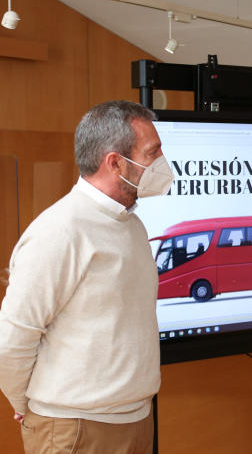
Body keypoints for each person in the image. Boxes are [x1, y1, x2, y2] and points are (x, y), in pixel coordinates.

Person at [0, 100, 174, 453]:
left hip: (136, 418)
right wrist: (29, 406)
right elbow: (14, 339)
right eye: (152, 152)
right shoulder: (60, 230)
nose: (162, 162)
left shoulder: (132, 224)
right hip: (74, 429)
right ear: (115, 162)